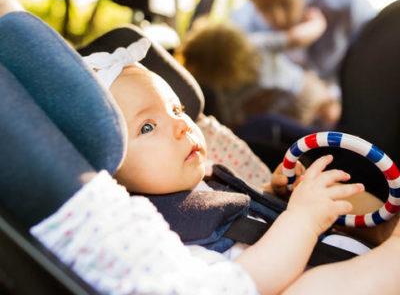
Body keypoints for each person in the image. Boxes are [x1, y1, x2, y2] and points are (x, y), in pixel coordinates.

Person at [79, 39, 400, 293]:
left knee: (349, 199)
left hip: (344, 257)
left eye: (176, 109)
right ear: (110, 172)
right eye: (147, 127)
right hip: (318, 278)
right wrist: (301, 220)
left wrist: (273, 194)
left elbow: (240, 210)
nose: (181, 125)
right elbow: (242, 282)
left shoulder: (209, 177)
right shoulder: (154, 233)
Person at [230, 0, 378, 107]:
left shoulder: (344, 4)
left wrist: (335, 99)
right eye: (265, 9)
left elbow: (377, 61)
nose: (278, 18)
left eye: (285, 3)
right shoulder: (244, 27)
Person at [177, 18, 339, 128]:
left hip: (293, 105)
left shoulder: (227, 88)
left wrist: (248, 111)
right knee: (330, 116)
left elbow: (233, 123)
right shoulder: (255, 46)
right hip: (298, 96)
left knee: (323, 119)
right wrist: (318, 22)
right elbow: (295, 38)